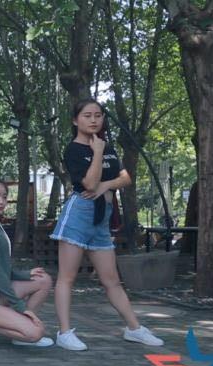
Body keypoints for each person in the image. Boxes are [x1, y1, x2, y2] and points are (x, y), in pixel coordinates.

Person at [50, 98, 164, 351]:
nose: (93, 120)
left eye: (98, 115)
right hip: (80, 214)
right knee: (67, 277)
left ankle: (134, 328)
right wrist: (98, 153)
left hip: (102, 217)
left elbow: (125, 178)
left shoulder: (108, 146)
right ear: (75, 120)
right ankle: (64, 332)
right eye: (87, 115)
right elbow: (89, 185)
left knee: (111, 279)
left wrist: (106, 185)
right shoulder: (74, 150)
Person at [0, 178, 54, 351]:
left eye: (4, 197)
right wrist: (21, 308)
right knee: (36, 332)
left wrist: (26, 275)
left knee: (43, 280)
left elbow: (2, 269)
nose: (1, 201)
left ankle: (19, 332)